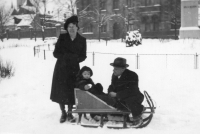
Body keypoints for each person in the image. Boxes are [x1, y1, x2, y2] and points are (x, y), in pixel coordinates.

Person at [50, 15, 87, 123]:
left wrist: (75, 59)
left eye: (73, 26)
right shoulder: (62, 38)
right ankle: (63, 113)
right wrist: (66, 57)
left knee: (72, 90)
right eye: (69, 26)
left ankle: (70, 113)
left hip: (74, 69)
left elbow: (83, 56)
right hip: (61, 68)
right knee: (60, 91)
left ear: (77, 27)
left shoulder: (82, 40)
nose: (71, 28)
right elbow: (55, 53)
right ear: (66, 28)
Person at [107, 57, 145, 127]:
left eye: (116, 69)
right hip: (121, 97)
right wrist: (110, 92)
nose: (113, 70)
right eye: (113, 68)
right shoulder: (114, 75)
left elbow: (132, 90)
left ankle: (137, 118)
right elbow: (112, 86)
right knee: (115, 105)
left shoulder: (132, 75)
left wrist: (117, 94)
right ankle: (139, 109)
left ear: (123, 69)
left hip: (135, 96)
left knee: (129, 101)